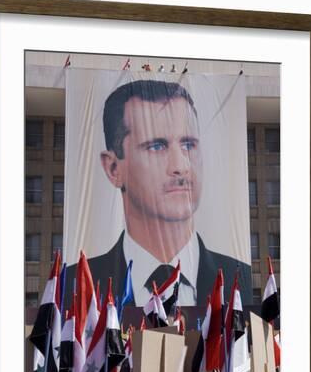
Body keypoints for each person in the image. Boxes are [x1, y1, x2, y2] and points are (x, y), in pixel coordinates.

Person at [64, 80, 251, 308]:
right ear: (114, 168)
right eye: (156, 146)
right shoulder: (76, 287)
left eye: (188, 145)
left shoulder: (240, 278)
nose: (181, 166)